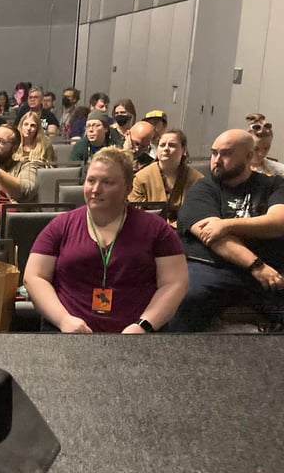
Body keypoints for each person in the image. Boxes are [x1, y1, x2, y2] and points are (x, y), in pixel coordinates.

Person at [24, 147, 187, 333]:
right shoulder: (60, 225)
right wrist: (63, 320)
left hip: (136, 337)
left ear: (128, 187)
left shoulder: (157, 229)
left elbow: (174, 282)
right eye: (91, 180)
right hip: (68, 333)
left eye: (107, 182)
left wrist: (144, 325)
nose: (96, 189)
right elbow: (34, 277)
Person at [170, 129, 284, 332]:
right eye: (214, 153)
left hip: (271, 267)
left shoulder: (273, 185)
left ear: (249, 156)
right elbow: (212, 238)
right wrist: (256, 266)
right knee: (185, 297)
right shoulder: (202, 188)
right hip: (213, 267)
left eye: (226, 153)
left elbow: (278, 223)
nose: (216, 160)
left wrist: (226, 225)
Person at [129, 129, 204, 227]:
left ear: (184, 150)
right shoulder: (140, 178)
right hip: (150, 229)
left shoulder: (197, 180)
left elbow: (197, 213)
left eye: (172, 145)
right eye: (162, 145)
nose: (166, 148)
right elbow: (136, 212)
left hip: (186, 231)